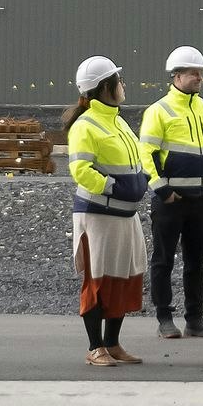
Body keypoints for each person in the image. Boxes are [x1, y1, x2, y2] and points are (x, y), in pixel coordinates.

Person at [65, 56, 153, 368]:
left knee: (123, 277)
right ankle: (95, 346)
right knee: (98, 280)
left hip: (125, 217)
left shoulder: (117, 120)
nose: (123, 85)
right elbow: (80, 170)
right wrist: (112, 187)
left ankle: (113, 344)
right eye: (119, 80)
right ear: (106, 87)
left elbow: (135, 159)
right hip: (98, 217)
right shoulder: (86, 125)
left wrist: (142, 179)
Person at [140, 43, 203, 341]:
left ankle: (195, 320)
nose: (199, 78)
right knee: (164, 260)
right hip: (171, 203)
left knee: (196, 263)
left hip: (202, 202)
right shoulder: (159, 111)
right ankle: (165, 318)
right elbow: (147, 154)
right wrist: (164, 192)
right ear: (176, 76)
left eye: (200, 73)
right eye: (194, 73)